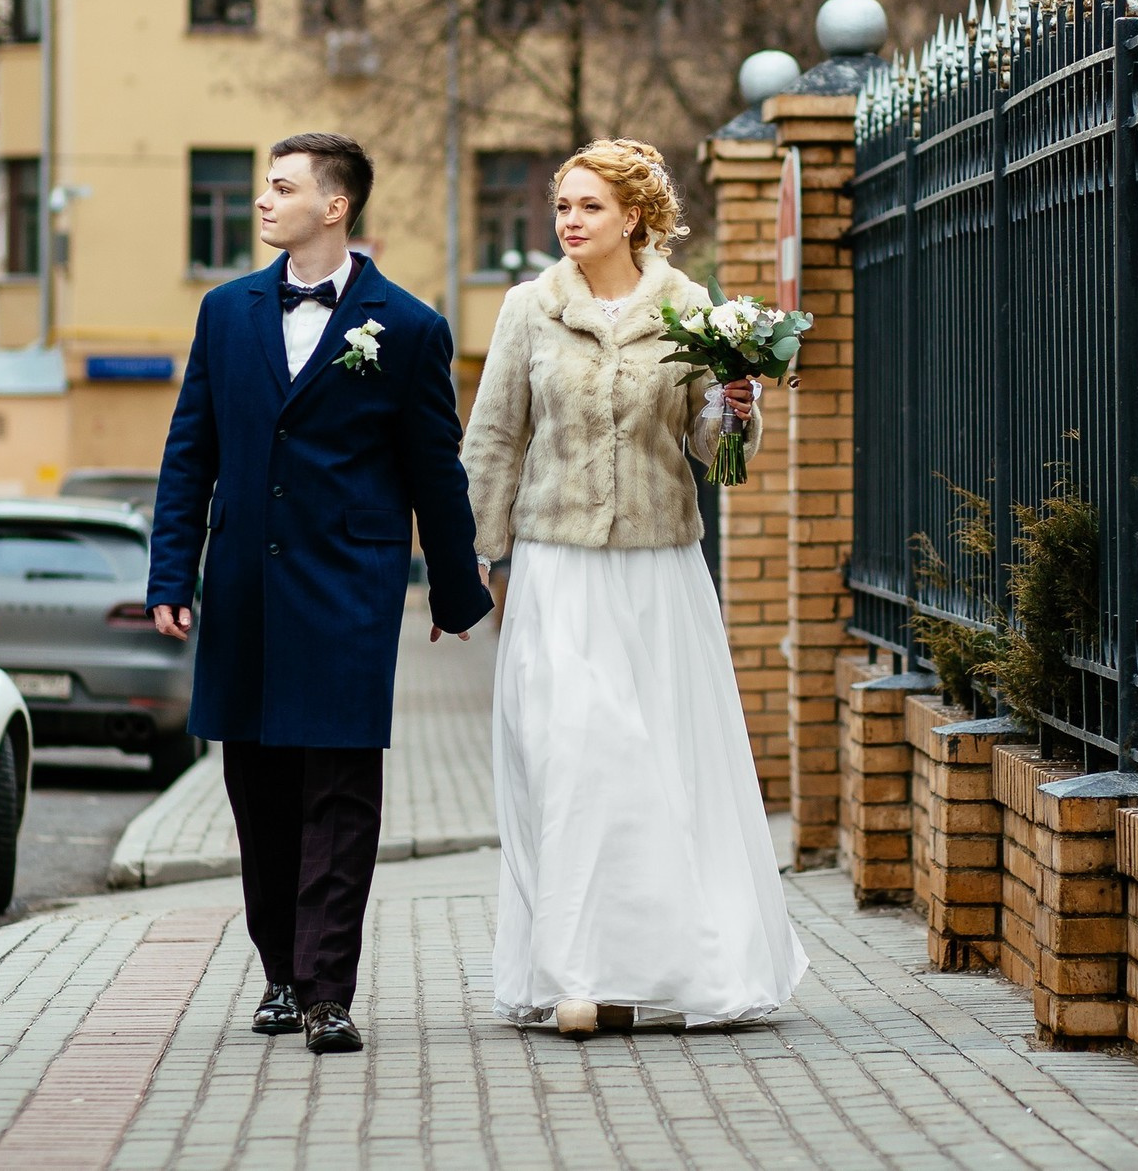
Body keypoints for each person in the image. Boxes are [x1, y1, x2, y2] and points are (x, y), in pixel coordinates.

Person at [145, 131, 494, 1055]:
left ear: (335, 206)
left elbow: (435, 469)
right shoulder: (225, 313)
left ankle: (328, 991)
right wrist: (171, 572)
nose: (262, 200)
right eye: (265, 185)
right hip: (245, 588)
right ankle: (281, 974)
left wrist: (455, 589)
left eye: (281, 186)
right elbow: (190, 451)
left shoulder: (408, 327)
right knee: (258, 793)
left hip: (348, 589)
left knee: (340, 793)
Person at [461, 138, 808, 1036]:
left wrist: (735, 407)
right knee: (571, 755)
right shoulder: (529, 308)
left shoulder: (691, 309)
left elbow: (715, 451)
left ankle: (660, 965)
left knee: (654, 764)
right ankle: (576, 973)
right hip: (557, 567)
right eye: (562, 205)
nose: (569, 221)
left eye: (589, 206)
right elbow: (495, 437)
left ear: (635, 217)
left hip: (657, 569)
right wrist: (475, 557)